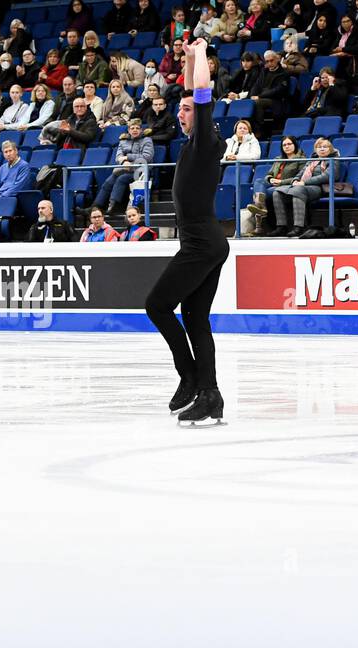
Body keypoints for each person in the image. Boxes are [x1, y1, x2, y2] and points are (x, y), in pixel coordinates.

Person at [144, 37, 231, 427]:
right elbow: (190, 90)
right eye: (177, 109)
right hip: (206, 243)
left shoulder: (205, 142)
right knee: (195, 320)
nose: (181, 113)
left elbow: (200, 93)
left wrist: (199, 57)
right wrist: (189, 57)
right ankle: (210, 395)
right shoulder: (192, 145)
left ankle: (190, 375)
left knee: (157, 305)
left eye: (186, 109)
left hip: (200, 244)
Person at [272, 137, 339, 236]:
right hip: (303, 186)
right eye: (319, 147)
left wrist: (304, 182)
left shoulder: (334, 160)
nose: (322, 149)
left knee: (298, 190)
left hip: (319, 187)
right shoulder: (311, 161)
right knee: (277, 192)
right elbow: (301, 173)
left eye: (325, 147)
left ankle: (299, 227)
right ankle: (281, 226)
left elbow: (327, 176)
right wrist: (295, 180)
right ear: (316, 149)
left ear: (330, 149)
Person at [96, 118, 154, 218]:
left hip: (140, 171)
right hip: (125, 168)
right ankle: (96, 207)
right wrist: (124, 161)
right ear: (128, 130)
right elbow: (118, 157)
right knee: (109, 181)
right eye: (132, 128)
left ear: (141, 130)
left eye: (137, 128)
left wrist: (128, 157)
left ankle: (113, 206)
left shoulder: (147, 140)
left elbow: (147, 157)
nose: (135, 130)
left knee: (121, 179)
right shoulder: (123, 141)